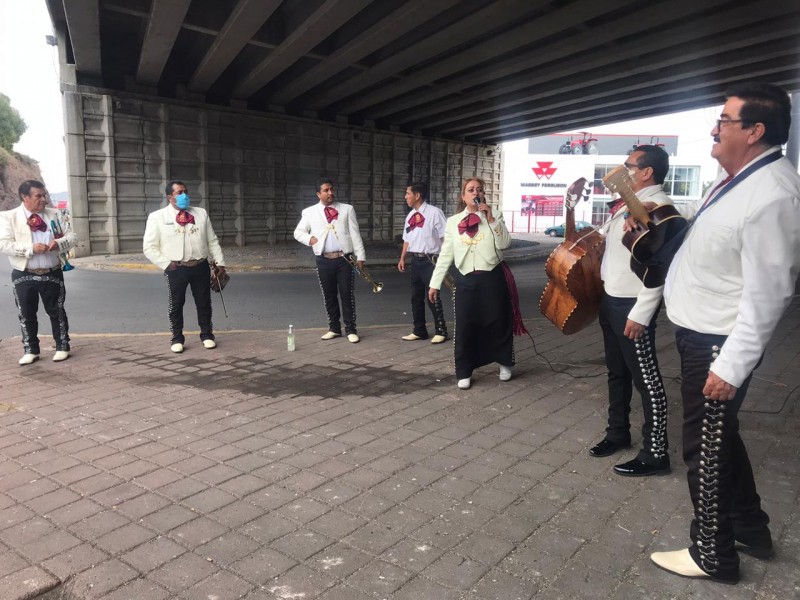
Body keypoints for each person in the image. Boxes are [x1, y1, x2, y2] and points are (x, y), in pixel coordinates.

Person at [650, 82, 800, 583]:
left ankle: (712, 554)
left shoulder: (773, 193)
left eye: (725, 121)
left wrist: (731, 366)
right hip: (700, 334)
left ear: (755, 131)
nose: (715, 129)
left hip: (717, 343)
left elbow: (769, 291)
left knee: (704, 449)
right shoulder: (737, 178)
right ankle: (751, 530)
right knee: (723, 439)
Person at [589, 145, 672, 477]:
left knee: (646, 379)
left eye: (629, 165)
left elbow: (660, 267)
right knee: (616, 372)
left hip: (633, 305)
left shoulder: (659, 208)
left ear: (647, 171)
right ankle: (617, 432)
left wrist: (642, 312)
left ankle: (656, 453)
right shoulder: (629, 204)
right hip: (612, 299)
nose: (622, 170)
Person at [429, 177, 514, 389]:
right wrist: (435, 283)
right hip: (465, 279)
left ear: (483, 194)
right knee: (465, 324)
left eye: (479, 190)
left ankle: (504, 362)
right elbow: (446, 254)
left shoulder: (495, 216)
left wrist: (491, 219)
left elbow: (504, 244)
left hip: (492, 276)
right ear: (463, 196)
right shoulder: (453, 221)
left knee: (498, 321)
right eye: (470, 190)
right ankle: (465, 370)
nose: (475, 193)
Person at [143, 181, 226, 353]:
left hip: (200, 265)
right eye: (179, 192)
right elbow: (149, 247)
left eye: (186, 191)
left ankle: (207, 335)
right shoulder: (158, 217)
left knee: (204, 302)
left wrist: (220, 264)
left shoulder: (201, 213)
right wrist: (166, 264)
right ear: (169, 197)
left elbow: (212, 241)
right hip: (176, 268)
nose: (184, 195)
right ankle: (177, 338)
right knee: (176, 304)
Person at [0, 180, 76, 364]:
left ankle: (62, 346)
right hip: (24, 273)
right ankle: (31, 349)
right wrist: (30, 248)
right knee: (26, 312)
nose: (44, 200)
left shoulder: (55, 214)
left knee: (56, 311)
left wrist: (58, 243)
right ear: (25, 198)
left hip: (52, 271)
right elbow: (3, 244)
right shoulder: (9, 217)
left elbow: (72, 236)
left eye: (45, 195)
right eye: (38, 196)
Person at [294, 178, 366, 343]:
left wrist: (360, 256)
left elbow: (355, 234)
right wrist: (310, 238)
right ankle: (334, 328)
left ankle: (351, 329)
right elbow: (298, 232)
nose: (330, 193)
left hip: (345, 259)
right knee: (329, 295)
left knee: (347, 294)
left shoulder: (347, 209)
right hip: (323, 260)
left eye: (331, 189)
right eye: (326, 190)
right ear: (318, 194)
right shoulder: (309, 212)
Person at [397, 182, 448, 344]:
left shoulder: (435, 213)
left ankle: (441, 330)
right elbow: (407, 239)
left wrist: (445, 261)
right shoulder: (410, 216)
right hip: (416, 260)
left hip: (431, 260)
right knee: (415, 297)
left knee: (432, 296)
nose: (405, 197)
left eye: (408, 193)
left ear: (417, 195)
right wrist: (402, 258)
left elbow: (445, 238)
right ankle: (419, 330)